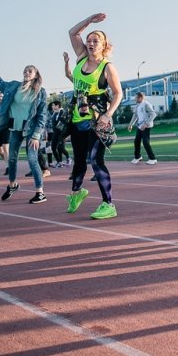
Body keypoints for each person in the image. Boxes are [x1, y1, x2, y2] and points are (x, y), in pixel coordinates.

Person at [65, 14, 124, 220]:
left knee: (95, 160)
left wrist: (108, 115)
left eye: (95, 41)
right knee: (79, 161)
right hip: (76, 118)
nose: (90, 43)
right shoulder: (81, 57)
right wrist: (90, 20)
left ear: (104, 45)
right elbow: (72, 32)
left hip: (96, 120)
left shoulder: (107, 67)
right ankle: (76, 193)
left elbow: (118, 94)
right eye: (89, 40)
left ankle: (108, 204)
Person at [0, 55, 48, 205]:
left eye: (30, 71)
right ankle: (12, 185)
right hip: (15, 128)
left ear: (35, 75)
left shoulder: (40, 92)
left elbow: (42, 115)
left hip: (32, 130)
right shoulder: (13, 86)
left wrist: (36, 135)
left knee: (32, 160)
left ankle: (40, 193)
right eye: (25, 71)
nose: (27, 73)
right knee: (12, 159)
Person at [128, 92, 158, 165]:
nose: (135, 99)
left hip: (146, 126)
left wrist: (146, 124)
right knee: (136, 141)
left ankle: (152, 159)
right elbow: (135, 115)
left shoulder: (146, 104)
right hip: (140, 126)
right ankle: (137, 157)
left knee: (145, 142)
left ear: (140, 98)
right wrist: (130, 124)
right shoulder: (138, 105)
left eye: (136, 98)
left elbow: (153, 114)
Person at [47, 99, 70, 167]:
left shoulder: (62, 111)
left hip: (61, 133)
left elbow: (64, 122)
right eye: (52, 105)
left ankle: (68, 158)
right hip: (55, 133)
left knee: (60, 148)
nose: (52, 106)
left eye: (53, 105)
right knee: (53, 148)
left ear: (57, 106)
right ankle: (59, 162)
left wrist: (64, 134)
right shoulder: (54, 113)